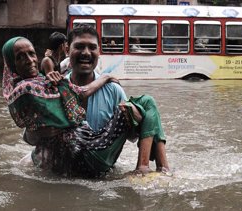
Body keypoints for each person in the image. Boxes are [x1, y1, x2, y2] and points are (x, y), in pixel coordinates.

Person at [2, 36, 134, 177]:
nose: (29, 60)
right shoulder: (29, 88)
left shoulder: (38, 84)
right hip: (74, 156)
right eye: (20, 57)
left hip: (58, 160)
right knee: (138, 106)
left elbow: (29, 130)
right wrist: (106, 77)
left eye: (31, 54)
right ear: (67, 50)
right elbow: (80, 93)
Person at [66, 26, 169, 174]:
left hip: (100, 163)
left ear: (99, 52)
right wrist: (106, 77)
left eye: (92, 47)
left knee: (145, 105)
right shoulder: (56, 88)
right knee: (148, 103)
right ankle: (156, 167)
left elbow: (132, 134)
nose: (86, 53)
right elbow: (33, 137)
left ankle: (153, 167)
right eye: (79, 46)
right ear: (66, 50)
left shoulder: (113, 90)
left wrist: (135, 115)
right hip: (74, 165)